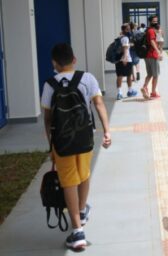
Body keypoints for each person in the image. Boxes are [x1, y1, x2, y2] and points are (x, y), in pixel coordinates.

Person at [41, 43, 111, 250]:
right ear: (74, 60)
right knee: (84, 174)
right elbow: (99, 104)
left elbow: (47, 118)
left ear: (54, 63)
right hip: (85, 138)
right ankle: (81, 211)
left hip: (62, 143)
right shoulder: (87, 78)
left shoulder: (49, 84)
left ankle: (77, 231)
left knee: (68, 182)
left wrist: (51, 145)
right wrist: (107, 131)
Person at [141, 15, 162, 99]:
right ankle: (153, 92)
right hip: (153, 55)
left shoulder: (148, 30)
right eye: (154, 21)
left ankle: (145, 87)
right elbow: (152, 41)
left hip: (147, 55)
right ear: (150, 22)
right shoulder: (151, 31)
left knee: (149, 74)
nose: (156, 22)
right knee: (156, 75)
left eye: (156, 20)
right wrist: (158, 51)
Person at [115, 24, 137, 100]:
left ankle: (119, 93)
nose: (129, 31)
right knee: (128, 76)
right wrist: (125, 58)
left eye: (129, 29)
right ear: (124, 30)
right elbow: (125, 48)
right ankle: (130, 91)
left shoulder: (120, 37)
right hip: (126, 59)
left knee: (119, 76)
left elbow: (125, 46)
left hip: (118, 60)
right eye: (127, 29)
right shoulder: (125, 38)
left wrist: (130, 44)